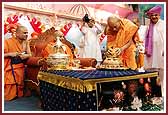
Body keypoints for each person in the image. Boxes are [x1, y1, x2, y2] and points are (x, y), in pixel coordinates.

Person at [4, 25, 32, 101]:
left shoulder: (26, 42)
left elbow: (30, 54)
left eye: (27, 33)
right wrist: (10, 54)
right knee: (10, 80)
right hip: (10, 65)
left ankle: (18, 93)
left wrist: (25, 56)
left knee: (21, 77)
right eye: (24, 33)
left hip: (21, 65)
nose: (26, 35)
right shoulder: (7, 42)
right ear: (17, 34)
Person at [145, 5, 164, 96]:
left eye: (155, 15)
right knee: (152, 77)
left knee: (162, 77)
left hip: (161, 55)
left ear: (159, 15)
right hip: (151, 56)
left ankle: (163, 96)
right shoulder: (149, 27)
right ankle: (155, 96)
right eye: (152, 15)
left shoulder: (163, 24)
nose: (153, 17)